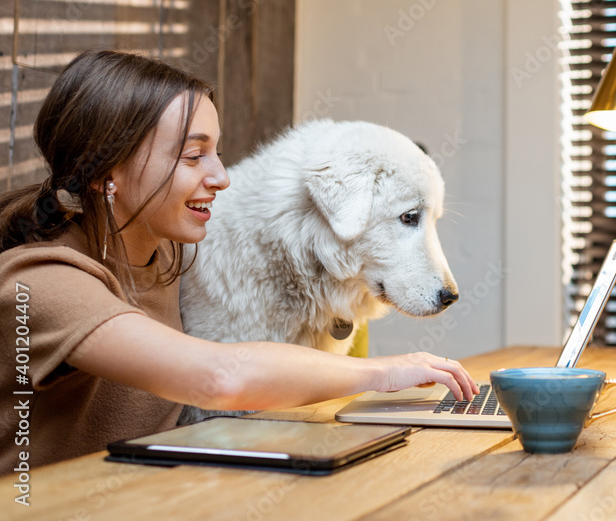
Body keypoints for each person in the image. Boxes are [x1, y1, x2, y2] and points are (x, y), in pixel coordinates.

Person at [0, 50, 477, 471]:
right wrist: (386, 373)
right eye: (193, 156)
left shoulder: (165, 251)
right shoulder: (40, 282)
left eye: (218, 152)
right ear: (108, 171)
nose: (221, 177)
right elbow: (219, 378)